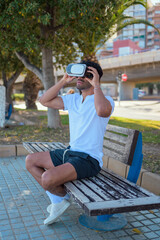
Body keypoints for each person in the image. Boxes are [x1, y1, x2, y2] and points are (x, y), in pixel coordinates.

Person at [25, 60, 115, 225]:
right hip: (70, 152)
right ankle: (60, 200)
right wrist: (64, 81)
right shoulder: (73, 99)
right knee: (30, 160)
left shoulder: (105, 100)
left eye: (86, 75)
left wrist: (96, 85)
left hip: (89, 159)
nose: (79, 78)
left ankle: (60, 200)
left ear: (94, 78)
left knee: (47, 179)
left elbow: (102, 111)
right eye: (78, 74)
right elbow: (44, 101)